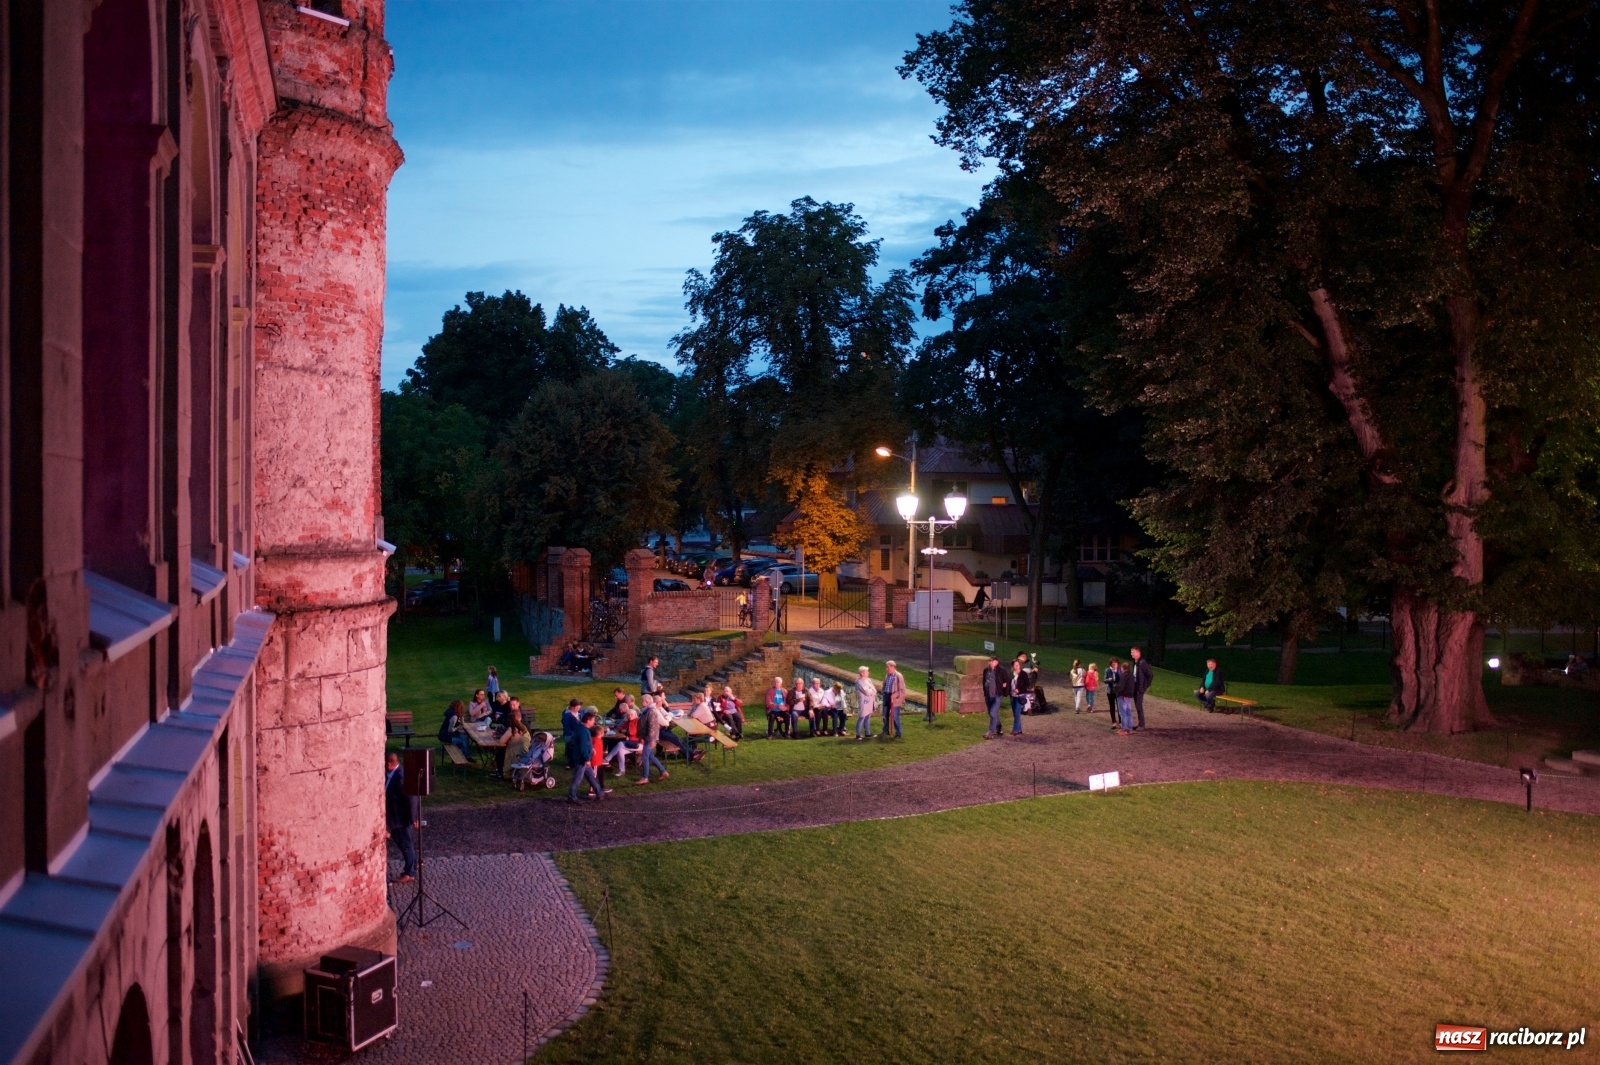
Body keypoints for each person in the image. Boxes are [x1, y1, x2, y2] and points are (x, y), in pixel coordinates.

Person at [383, 752, 419, 882]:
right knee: (407, 843)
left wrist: (413, 818)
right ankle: (413, 864)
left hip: (400, 819)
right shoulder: (393, 775)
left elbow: (411, 799)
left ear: (388, 764)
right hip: (397, 818)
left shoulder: (401, 777)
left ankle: (409, 873)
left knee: (405, 844)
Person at [569, 710, 605, 802]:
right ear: (588, 721)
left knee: (591, 776)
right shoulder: (583, 732)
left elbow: (585, 744)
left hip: (583, 757)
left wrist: (591, 748)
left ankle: (599, 793)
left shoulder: (582, 728)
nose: (594, 722)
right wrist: (587, 758)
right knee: (578, 778)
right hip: (582, 759)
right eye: (593, 720)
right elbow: (583, 747)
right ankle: (572, 796)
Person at [636, 695, 672, 785]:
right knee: (651, 756)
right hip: (648, 737)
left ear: (647, 701)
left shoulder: (651, 711)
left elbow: (652, 726)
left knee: (645, 757)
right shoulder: (648, 710)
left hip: (650, 737)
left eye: (642, 701)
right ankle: (663, 772)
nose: (641, 702)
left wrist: (652, 740)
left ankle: (645, 777)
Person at [1128, 647, 1153, 730]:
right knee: (1137, 706)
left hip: (1139, 688)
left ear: (1138, 653)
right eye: (1131, 652)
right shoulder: (1136, 662)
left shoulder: (1142, 663)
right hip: (1135, 686)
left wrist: (1145, 686)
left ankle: (1142, 725)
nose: (1132, 654)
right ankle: (1140, 724)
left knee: (1139, 706)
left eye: (1133, 652)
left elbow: (1150, 675)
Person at [981, 655, 1004, 739]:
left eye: (992, 661)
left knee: (993, 713)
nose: (990, 663)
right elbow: (984, 681)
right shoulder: (986, 671)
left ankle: (991, 732)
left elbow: (1007, 680)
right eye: (989, 661)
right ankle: (999, 727)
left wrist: (1004, 689)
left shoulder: (1001, 671)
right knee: (992, 713)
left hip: (997, 696)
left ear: (996, 662)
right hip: (988, 695)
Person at [881, 660, 905, 739]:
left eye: (888, 667)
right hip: (886, 696)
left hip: (894, 698)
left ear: (893, 667)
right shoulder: (887, 675)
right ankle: (885, 730)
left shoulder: (898, 676)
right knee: (885, 714)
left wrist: (895, 695)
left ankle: (898, 733)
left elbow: (902, 690)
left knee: (895, 716)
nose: (886, 669)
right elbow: (884, 685)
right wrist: (884, 691)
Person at [854, 666, 877, 740]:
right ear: (862, 673)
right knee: (862, 717)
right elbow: (866, 692)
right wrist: (871, 692)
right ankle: (858, 734)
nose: (868, 673)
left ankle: (867, 733)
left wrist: (871, 692)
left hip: (870, 701)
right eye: (866, 671)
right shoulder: (859, 682)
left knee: (868, 717)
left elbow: (874, 690)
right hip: (864, 702)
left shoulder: (868, 680)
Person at [1008, 657, 1028, 735]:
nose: (1015, 666)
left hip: (1020, 696)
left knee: (1017, 713)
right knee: (1015, 713)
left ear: (1020, 665)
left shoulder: (1023, 674)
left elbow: (1026, 684)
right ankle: (1019, 729)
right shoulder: (1011, 674)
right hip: (1012, 696)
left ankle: (1015, 730)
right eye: (1014, 665)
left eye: (1017, 665)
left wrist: (1019, 690)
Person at [1104, 658, 1122, 730]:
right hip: (1110, 691)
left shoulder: (1119, 670)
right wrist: (1108, 679)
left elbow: (1122, 679)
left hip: (1118, 691)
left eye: (1116, 663)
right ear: (1111, 664)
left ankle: (1121, 722)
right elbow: (1104, 680)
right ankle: (1113, 722)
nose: (1115, 665)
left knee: (1119, 707)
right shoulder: (1107, 670)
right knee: (1112, 707)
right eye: (1113, 663)